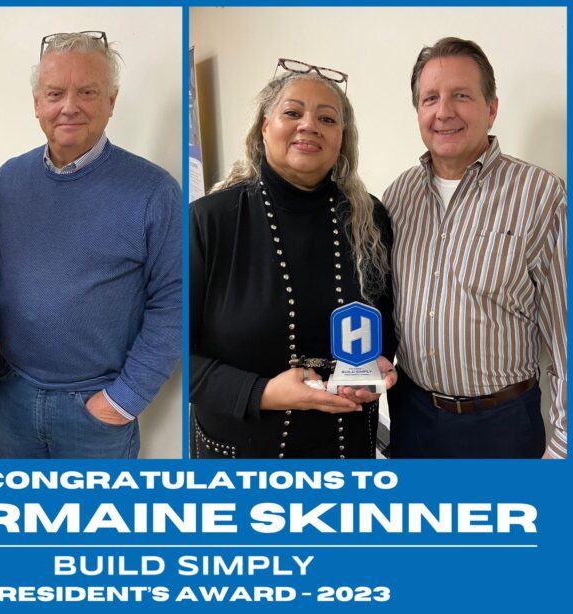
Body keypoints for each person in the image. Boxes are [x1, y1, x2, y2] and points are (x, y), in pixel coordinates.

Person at [189, 59, 397, 459]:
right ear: (264, 126)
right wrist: (262, 392)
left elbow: (385, 324)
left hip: (345, 443)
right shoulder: (209, 221)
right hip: (241, 451)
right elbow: (175, 354)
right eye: (292, 113)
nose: (309, 125)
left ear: (341, 139)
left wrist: (376, 365)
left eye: (327, 118)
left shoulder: (370, 219)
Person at [0, 31, 181, 458]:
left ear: (111, 101)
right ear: (37, 103)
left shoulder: (155, 191)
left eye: (87, 92)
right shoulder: (8, 180)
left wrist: (124, 400)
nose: (69, 106)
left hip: (95, 409)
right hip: (14, 393)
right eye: (55, 93)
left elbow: (174, 302)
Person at [383, 37, 567, 459]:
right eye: (430, 98)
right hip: (412, 418)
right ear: (418, 112)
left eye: (461, 96)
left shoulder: (541, 195)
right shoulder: (398, 196)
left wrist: (561, 450)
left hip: (500, 428)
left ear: (491, 108)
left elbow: (566, 337)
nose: (444, 111)